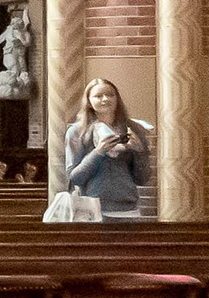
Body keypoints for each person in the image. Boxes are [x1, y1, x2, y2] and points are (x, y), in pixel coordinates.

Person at [58, 79, 155, 220]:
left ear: (117, 98)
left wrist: (139, 151)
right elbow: (75, 177)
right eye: (98, 96)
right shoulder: (77, 132)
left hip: (128, 210)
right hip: (92, 211)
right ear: (89, 101)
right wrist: (98, 152)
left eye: (110, 95)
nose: (105, 99)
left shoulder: (133, 129)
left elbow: (143, 178)